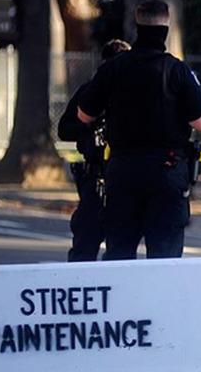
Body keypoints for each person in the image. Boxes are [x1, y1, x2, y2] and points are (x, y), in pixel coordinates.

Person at [77, 0, 201, 260]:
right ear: (167, 27)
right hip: (166, 170)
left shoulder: (113, 68)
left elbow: (84, 114)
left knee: (120, 252)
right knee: (164, 255)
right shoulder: (176, 70)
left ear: (136, 25)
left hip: (123, 169)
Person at [57, 39, 130, 261]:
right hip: (96, 176)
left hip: (124, 174)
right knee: (86, 240)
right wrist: (89, 124)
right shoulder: (90, 92)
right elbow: (65, 130)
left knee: (121, 245)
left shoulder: (132, 94)